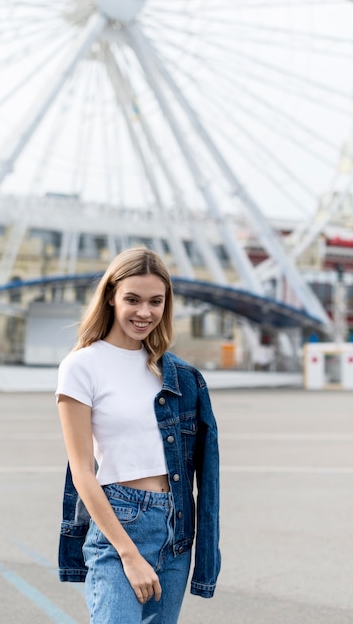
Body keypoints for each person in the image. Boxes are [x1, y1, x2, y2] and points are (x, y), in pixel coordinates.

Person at [56, 247, 221, 624]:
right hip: (119, 525)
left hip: (176, 528)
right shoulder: (82, 367)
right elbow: (82, 472)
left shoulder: (179, 375)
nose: (144, 312)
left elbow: (204, 471)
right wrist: (129, 554)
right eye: (132, 299)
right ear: (111, 296)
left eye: (155, 302)